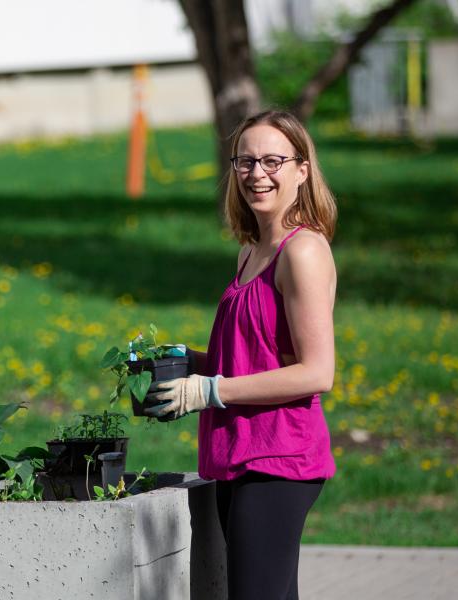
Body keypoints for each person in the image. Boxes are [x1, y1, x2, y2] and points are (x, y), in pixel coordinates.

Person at [144, 110, 337, 600]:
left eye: (274, 160)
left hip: (278, 457)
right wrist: (191, 360)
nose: (257, 174)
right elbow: (256, 356)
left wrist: (209, 390)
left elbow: (317, 372)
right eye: (245, 161)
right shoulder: (251, 252)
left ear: (302, 169)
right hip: (238, 454)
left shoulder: (303, 251)